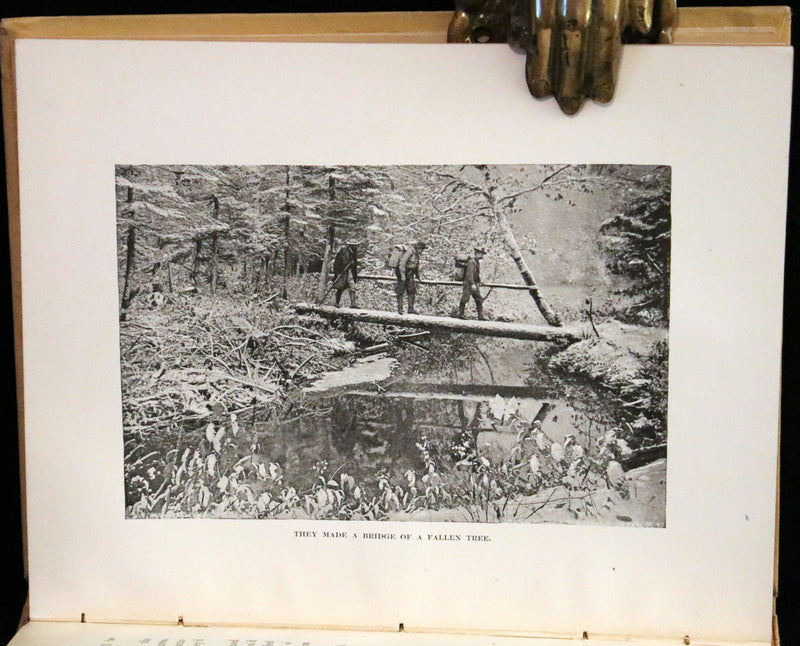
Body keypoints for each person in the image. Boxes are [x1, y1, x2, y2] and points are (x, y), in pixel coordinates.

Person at [395, 240, 427, 315]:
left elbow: (416, 265)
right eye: (421, 249)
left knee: (411, 291)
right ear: (418, 248)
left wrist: (417, 276)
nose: (422, 251)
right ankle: (400, 309)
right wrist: (402, 276)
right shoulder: (410, 252)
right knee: (400, 291)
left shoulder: (417, 254)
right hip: (402, 272)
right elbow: (402, 263)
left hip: (410, 273)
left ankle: (410, 308)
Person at [454, 246, 486, 320]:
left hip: (474, 283)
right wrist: (472, 284)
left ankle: (481, 316)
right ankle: (460, 314)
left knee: (479, 299)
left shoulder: (476, 262)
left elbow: (476, 274)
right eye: (481, 254)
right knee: (465, 298)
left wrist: (479, 281)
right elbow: (469, 273)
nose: (482, 256)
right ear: (477, 253)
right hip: (469, 283)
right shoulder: (472, 262)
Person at [332, 239, 359, 308]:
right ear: (350, 245)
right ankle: (337, 303)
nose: (355, 247)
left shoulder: (354, 253)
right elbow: (337, 263)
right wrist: (337, 272)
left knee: (352, 286)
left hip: (350, 272)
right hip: (342, 272)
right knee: (340, 287)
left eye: (355, 246)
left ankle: (353, 303)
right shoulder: (343, 252)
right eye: (353, 246)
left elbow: (354, 265)